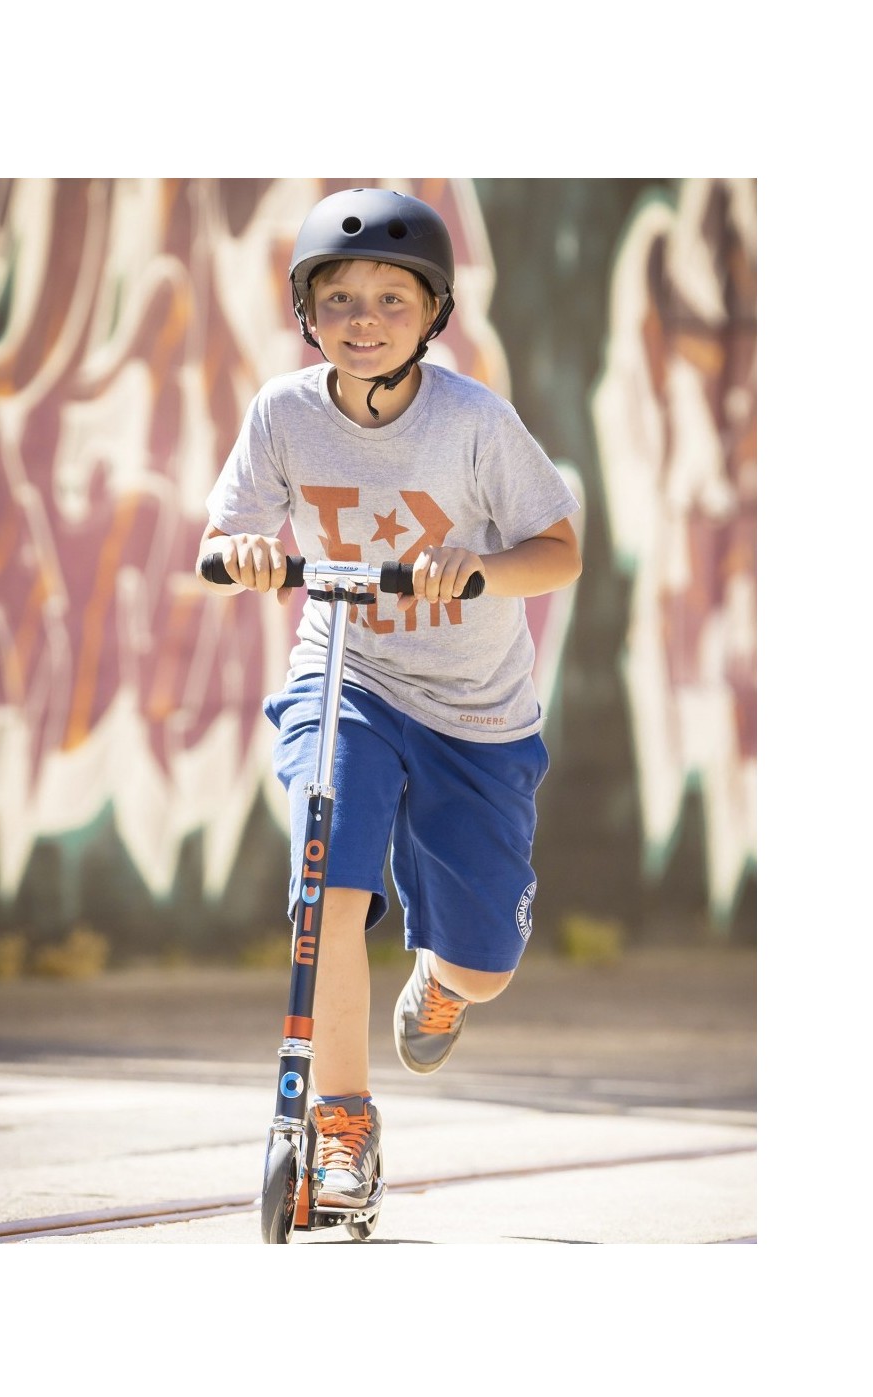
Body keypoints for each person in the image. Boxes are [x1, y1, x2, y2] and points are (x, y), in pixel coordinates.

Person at [197, 187, 582, 1208]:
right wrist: (242, 555)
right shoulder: (283, 414)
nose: (361, 320)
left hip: (475, 710)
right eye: (338, 299)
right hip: (346, 678)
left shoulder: (471, 422)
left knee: (485, 967)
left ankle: (445, 982)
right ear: (306, 311)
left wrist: (479, 570)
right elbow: (222, 540)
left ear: (433, 313)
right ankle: (341, 1128)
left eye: (390, 300)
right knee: (325, 891)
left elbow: (558, 551)